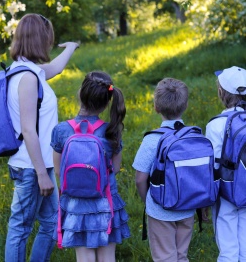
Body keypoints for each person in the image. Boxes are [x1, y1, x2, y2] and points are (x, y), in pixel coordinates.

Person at [5, 13, 79, 262]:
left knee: (50, 224)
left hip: (40, 163)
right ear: (39, 39)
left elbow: (55, 68)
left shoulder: (30, 71)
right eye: (48, 38)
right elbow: (28, 129)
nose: (50, 43)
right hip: (31, 167)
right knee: (20, 228)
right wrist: (41, 174)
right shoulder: (26, 78)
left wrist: (71, 48)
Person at [50, 71, 131, 262]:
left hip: (75, 203)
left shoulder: (61, 130)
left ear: (81, 93)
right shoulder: (112, 130)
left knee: (84, 257)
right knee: (107, 257)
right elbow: (116, 168)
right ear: (107, 102)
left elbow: (57, 170)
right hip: (106, 201)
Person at [132, 78, 195, 262]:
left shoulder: (152, 140)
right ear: (186, 106)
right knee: (181, 256)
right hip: (188, 207)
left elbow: (139, 179)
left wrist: (148, 201)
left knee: (164, 257)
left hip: (160, 210)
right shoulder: (193, 137)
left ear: (156, 107)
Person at [206, 66, 246, 262]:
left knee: (228, 250)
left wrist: (206, 200)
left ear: (221, 92)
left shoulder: (216, 124)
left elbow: (211, 167)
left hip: (226, 194)